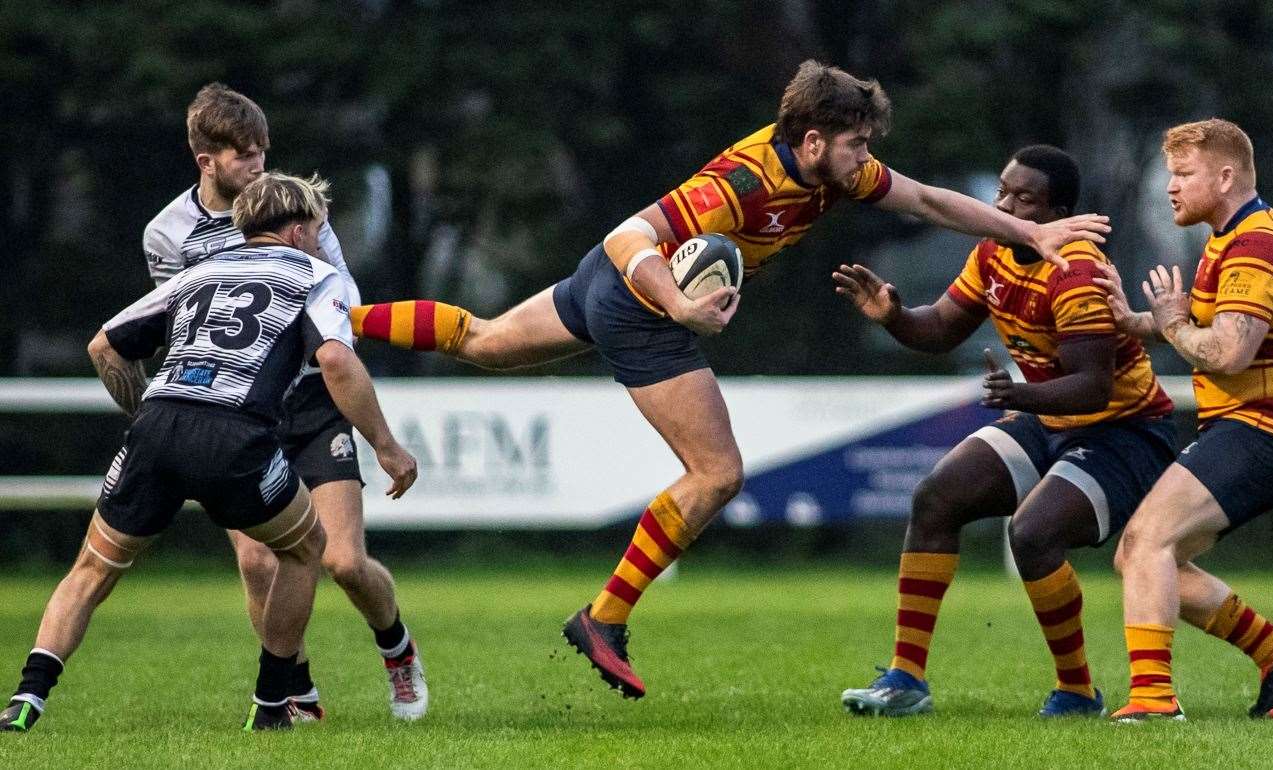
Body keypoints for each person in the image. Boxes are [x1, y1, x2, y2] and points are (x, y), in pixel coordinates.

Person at [349, 61, 1111, 699]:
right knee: (716, 473)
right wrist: (679, 302)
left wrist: (1028, 230)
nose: (865, 158)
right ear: (812, 139)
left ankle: (335, 320)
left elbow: (925, 200)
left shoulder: (837, 171)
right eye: (854, 144)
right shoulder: (744, 180)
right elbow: (629, 236)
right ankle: (603, 618)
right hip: (639, 301)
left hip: (609, 290)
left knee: (481, 342)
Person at [0, 172, 417, 733]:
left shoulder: (200, 270)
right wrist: (387, 448)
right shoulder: (315, 274)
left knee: (93, 567)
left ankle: (26, 702)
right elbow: (339, 362)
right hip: (234, 435)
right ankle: (274, 705)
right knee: (306, 549)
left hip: (158, 424)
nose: (322, 242)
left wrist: (146, 417)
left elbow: (105, 346)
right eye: (318, 230)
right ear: (295, 232)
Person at [833, 145, 1175, 718]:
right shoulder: (992, 252)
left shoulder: (1078, 271)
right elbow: (940, 328)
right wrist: (894, 316)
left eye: (1025, 198)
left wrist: (1020, 395)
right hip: (1049, 417)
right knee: (937, 498)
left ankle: (1077, 690)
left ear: (1059, 212)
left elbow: (1091, 386)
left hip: (1124, 432)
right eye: (1003, 191)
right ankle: (905, 681)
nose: (1006, 204)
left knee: (1034, 534)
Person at [143, 83, 427, 721]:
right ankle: (296, 691)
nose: (258, 166)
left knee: (345, 561)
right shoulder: (168, 235)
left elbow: (342, 303)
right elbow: (176, 321)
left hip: (313, 401)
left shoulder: (293, 209)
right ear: (206, 161)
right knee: (255, 560)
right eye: (244, 155)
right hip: (240, 414)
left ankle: (397, 647)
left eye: (263, 151)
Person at [1093, 119, 1273, 721]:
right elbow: (1197, 322)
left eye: (1183, 174)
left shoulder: (1256, 244)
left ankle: (1153, 701)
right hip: (1252, 429)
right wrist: (1136, 320)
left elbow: (1227, 352)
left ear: (1225, 177)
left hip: (1266, 429)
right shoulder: (1230, 237)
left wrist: (1167, 321)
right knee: (1141, 557)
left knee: (1146, 542)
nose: (1170, 187)